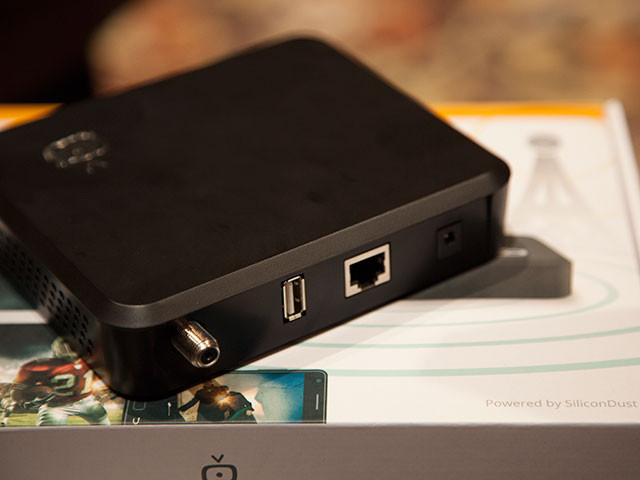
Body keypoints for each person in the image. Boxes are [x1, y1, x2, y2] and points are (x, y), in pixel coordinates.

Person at [9, 337, 110, 426]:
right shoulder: (40, 366)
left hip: (86, 400)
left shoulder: (95, 361)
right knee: (48, 434)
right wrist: (25, 398)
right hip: (56, 405)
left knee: (105, 427)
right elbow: (16, 392)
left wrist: (101, 392)